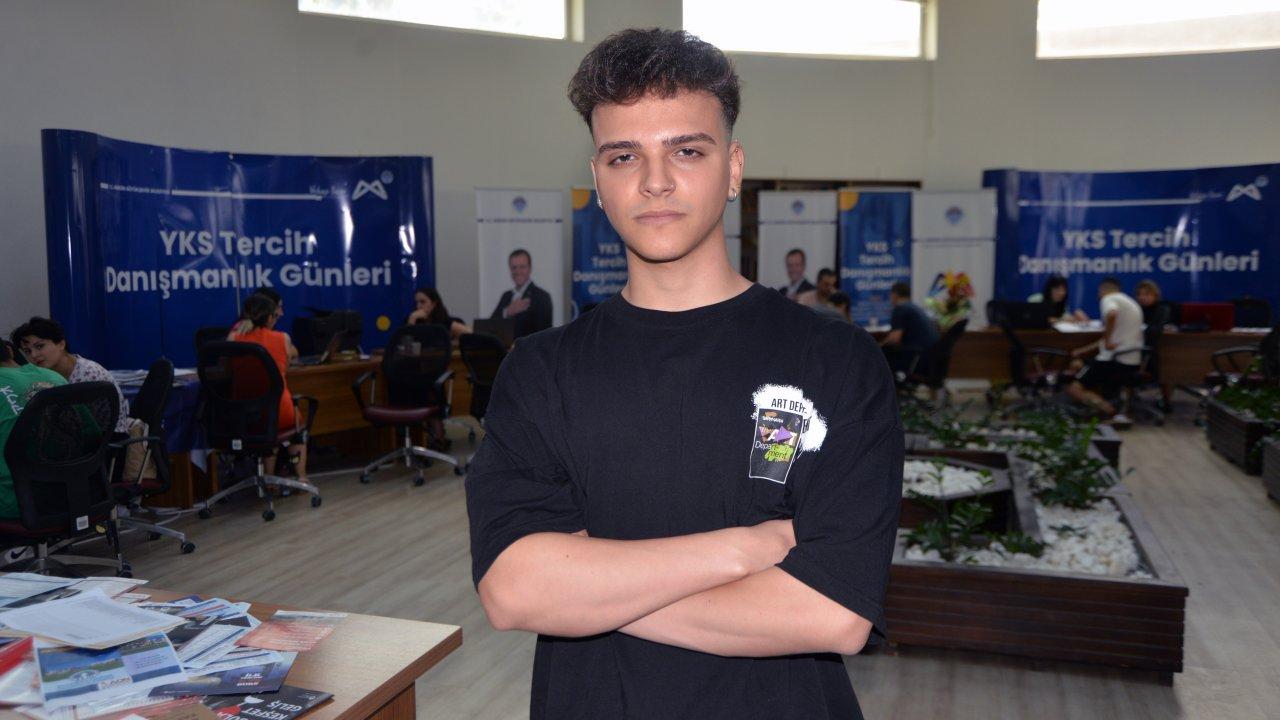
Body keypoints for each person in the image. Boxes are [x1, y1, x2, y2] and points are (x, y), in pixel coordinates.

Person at [466, 29, 901, 720]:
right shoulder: (540, 371)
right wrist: (745, 549)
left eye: (687, 151)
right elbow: (514, 591)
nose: (655, 181)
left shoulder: (837, 360)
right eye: (624, 156)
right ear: (598, 179)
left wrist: (584, 591)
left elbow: (833, 613)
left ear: (733, 168)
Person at [231, 294, 308, 479]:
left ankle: (269, 477)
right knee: (295, 427)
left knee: (267, 425)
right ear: (270, 318)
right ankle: (301, 477)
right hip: (278, 412)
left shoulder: (233, 337)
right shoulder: (282, 338)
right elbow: (285, 369)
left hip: (242, 413)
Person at [10, 317, 131, 432]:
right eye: (27, 351)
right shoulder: (46, 374)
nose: (34, 355)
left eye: (40, 346)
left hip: (107, 439)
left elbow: (83, 425)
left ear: (61, 344)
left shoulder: (88, 374)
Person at [0, 340, 67, 518]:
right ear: (10, 351)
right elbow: (91, 433)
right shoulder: (54, 377)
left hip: (13, 501)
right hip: (72, 491)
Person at [1066, 277, 1144, 425]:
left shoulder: (1108, 299)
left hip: (1114, 359)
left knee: (1074, 389)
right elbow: (1109, 338)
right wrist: (1082, 350)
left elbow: (1111, 315)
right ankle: (1108, 408)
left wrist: (1107, 340)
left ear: (1102, 290)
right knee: (1080, 365)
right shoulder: (1129, 302)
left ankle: (1110, 411)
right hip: (1131, 359)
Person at [879, 282, 940, 376]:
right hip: (930, 358)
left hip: (916, 358)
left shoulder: (900, 308)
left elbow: (895, 338)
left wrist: (878, 346)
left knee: (881, 357)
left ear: (895, 295)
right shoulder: (915, 308)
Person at [490, 249, 553, 339]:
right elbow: (489, 326)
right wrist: (507, 312)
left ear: (530, 268)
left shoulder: (542, 297)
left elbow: (543, 336)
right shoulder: (506, 296)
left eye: (522, 267)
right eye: (514, 268)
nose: (518, 271)